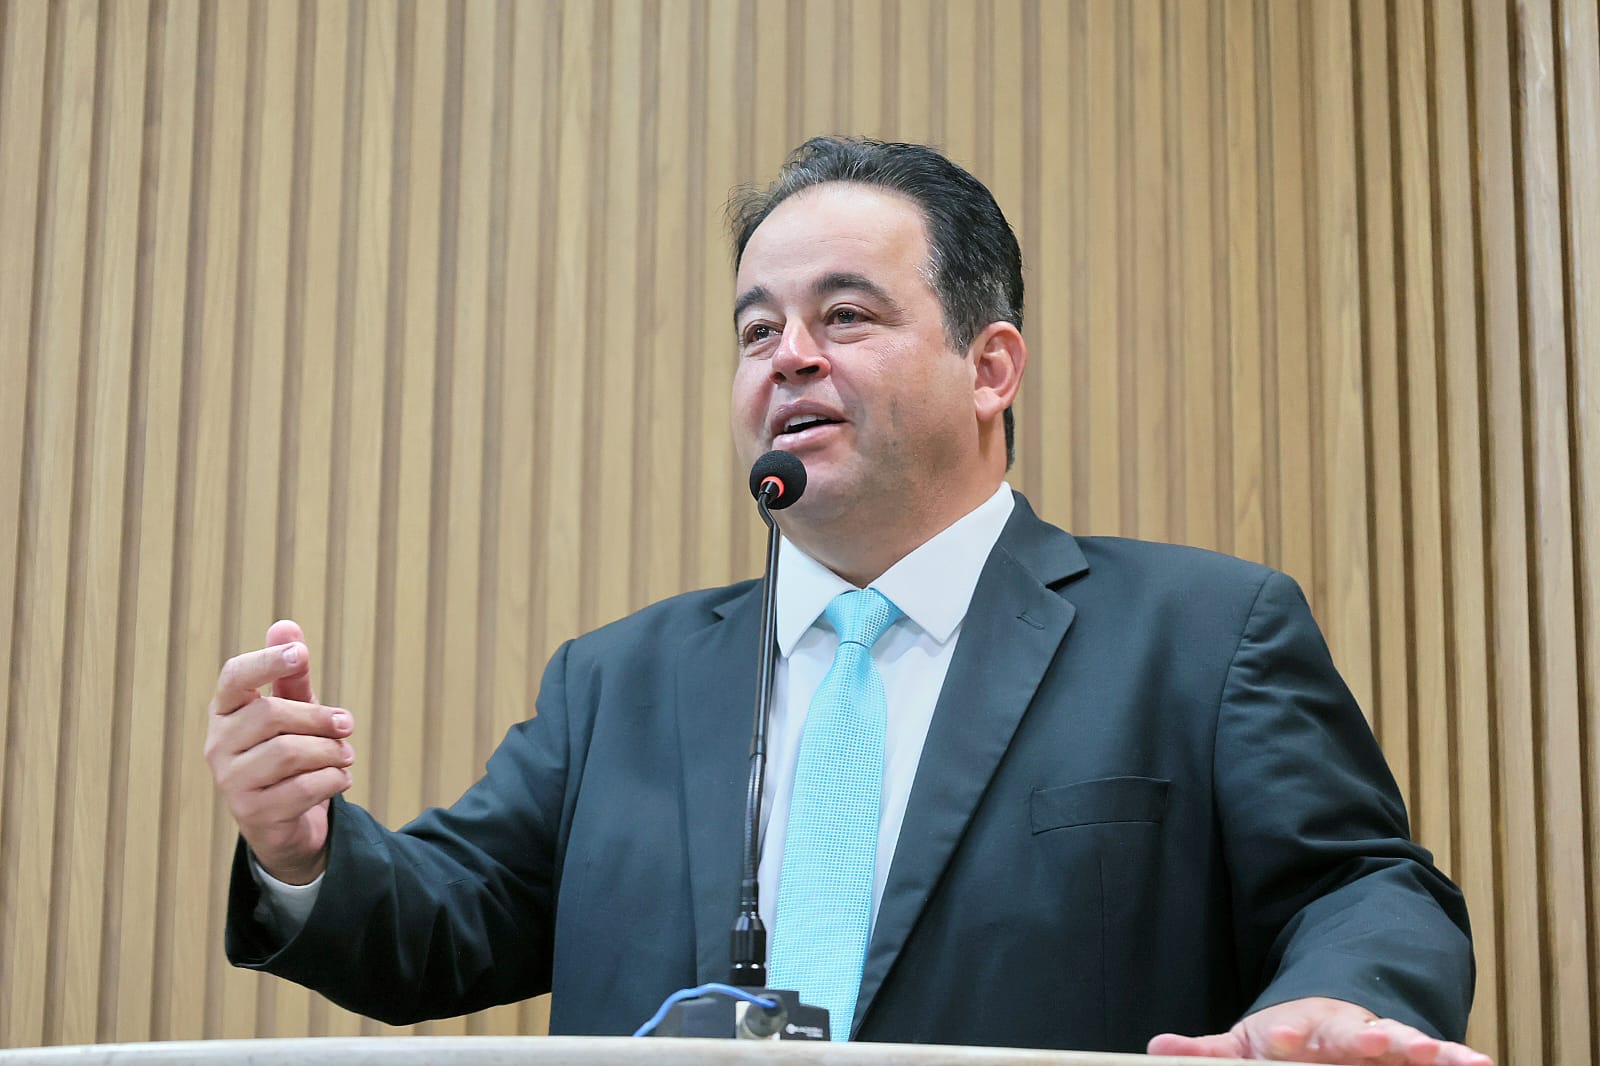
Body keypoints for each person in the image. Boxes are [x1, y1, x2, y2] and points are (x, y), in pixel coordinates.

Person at [208, 137, 1490, 1064]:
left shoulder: (1200, 634)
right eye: (756, 330)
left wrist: (1333, 1001)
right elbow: (449, 920)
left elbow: (1365, 887)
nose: (790, 358)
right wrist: (302, 851)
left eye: (846, 314)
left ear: (990, 367)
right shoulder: (619, 681)